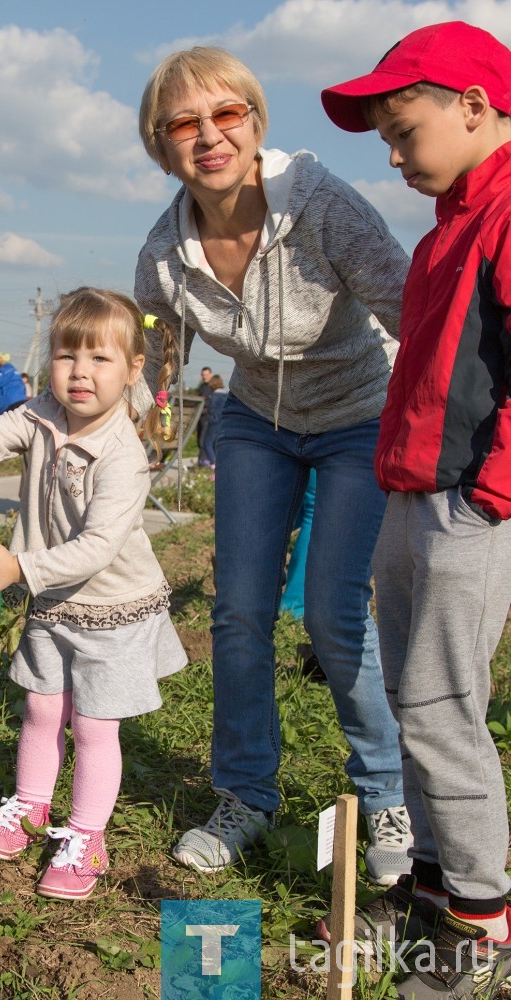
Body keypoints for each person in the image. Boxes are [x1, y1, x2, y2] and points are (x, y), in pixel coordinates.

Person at [134, 46, 413, 885]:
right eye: (184, 124)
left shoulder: (323, 208)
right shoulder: (162, 253)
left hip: (360, 415)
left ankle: (387, 792)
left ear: (255, 121)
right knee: (238, 614)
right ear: (161, 144)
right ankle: (246, 795)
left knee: (333, 616)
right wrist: (131, 421)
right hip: (257, 420)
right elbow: (152, 357)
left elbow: (412, 303)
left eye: (227, 115)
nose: (209, 136)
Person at [322, 22, 511, 996]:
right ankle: (438, 888)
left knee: (442, 713)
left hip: (465, 506)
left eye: (401, 131)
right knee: (413, 702)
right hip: (413, 494)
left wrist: (491, 490)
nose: (391, 155)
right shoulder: (446, 225)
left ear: (472, 106)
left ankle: (478, 925)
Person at [0, 288, 187, 900]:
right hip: (54, 603)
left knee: (95, 726)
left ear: (133, 371)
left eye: (100, 359)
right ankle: (29, 806)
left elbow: (98, 546)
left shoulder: (123, 454)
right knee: (44, 709)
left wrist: (19, 567)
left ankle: (85, 837)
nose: (80, 373)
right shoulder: (43, 413)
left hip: (111, 610)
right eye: (67, 355)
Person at [200, 372, 227, 469]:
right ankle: (219, 462)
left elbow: (210, 409)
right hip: (223, 422)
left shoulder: (214, 396)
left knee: (207, 443)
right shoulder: (226, 395)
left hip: (214, 421)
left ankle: (214, 463)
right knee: (217, 443)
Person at [196, 365, 213, 466]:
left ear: (210, 374)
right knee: (200, 439)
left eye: (206, 375)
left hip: (209, 417)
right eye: (203, 375)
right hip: (201, 417)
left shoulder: (212, 387)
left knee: (204, 440)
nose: (204, 377)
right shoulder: (202, 387)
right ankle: (203, 462)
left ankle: (203, 463)